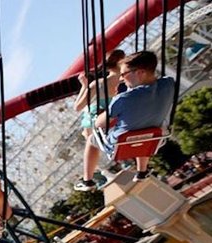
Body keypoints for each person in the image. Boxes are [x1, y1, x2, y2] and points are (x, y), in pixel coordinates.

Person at [74, 50, 176, 192]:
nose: (121, 79)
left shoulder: (122, 98)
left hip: (120, 145)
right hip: (154, 139)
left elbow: (99, 124)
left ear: (140, 72)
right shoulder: (169, 84)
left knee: (91, 139)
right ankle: (142, 170)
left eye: (124, 75)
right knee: (142, 126)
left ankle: (87, 180)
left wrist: (102, 111)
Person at [73, 49, 125, 139]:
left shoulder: (98, 84)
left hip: (103, 123)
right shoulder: (129, 80)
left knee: (88, 115)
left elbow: (77, 107)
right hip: (122, 117)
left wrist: (84, 86)